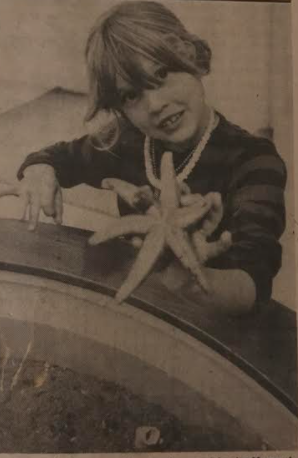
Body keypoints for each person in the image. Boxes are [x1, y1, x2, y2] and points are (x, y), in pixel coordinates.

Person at [3, 1, 287, 315]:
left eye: (161, 74)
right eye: (131, 95)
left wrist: (189, 279)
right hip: (147, 306)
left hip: (220, 326)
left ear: (191, 56)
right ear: (120, 110)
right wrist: (40, 169)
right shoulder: (129, 142)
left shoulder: (254, 161)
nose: (154, 104)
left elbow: (253, 283)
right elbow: (60, 157)